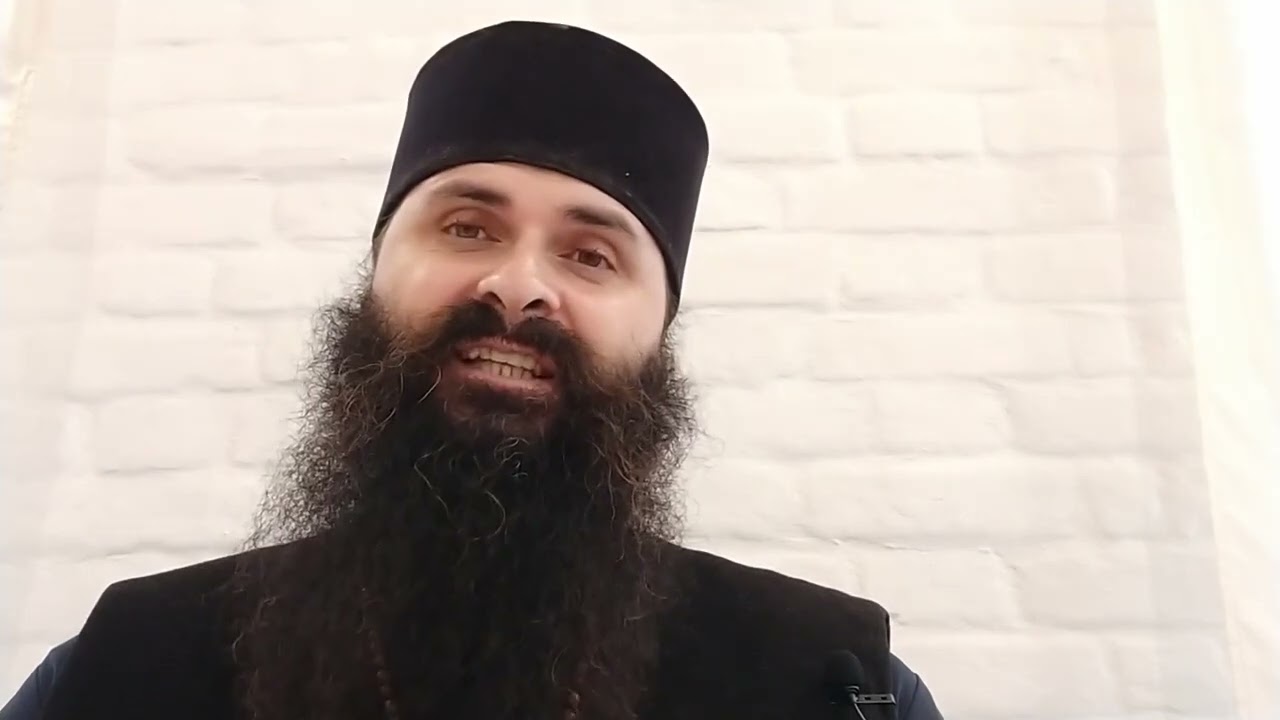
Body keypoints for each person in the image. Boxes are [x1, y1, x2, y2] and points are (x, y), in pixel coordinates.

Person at [1, 20, 943, 720]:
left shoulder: (834, 682)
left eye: (591, 255)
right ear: (374, 279)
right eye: (466, 227)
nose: (518, 285)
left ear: (660, 336)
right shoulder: (122, 666)